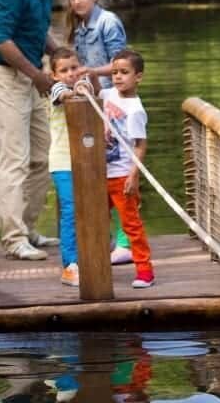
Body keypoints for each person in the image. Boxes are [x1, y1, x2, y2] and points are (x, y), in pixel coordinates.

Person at [0, 0, 62, 260]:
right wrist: (38, 75)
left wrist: (62, 58)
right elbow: (2, 41)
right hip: (5, 77)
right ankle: (13, 239)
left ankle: (28, 229)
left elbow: (39, 31)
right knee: (14, 159)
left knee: (43, 156)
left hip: (32, 77)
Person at [65, 0, 133, 265]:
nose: (77, 1)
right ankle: (104, 238)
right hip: (92, 107)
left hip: (114, 108)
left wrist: (93, 73)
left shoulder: (107, 22)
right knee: (97, 177)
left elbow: (122, 66)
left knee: (119, 175)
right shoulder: (78, 27)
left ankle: (126, 242)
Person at [100, 49, 155, 288]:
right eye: (114, 72)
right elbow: (92, 90)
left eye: (124, 72)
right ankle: (94, 264)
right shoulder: (109, 94)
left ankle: (145, 271)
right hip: (100, 173)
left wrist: (133, 175)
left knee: (131, 224)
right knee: (95, 221)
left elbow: (141, 145)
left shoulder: (135, 110)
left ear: (138, 77)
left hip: (122, 175)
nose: (118, 77)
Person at [48, 46, 98, 287]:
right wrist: (74, 89)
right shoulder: (56, 90)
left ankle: (92, 255)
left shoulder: (84, 85)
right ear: (54, 75)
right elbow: (64, 95)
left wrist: (84, 84)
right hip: (62, 162)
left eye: (74, 68)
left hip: (87, 160)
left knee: (92, 208)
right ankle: (70, 265)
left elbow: (87, 88)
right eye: (64, 70)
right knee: (70, 210)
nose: (70, 73)